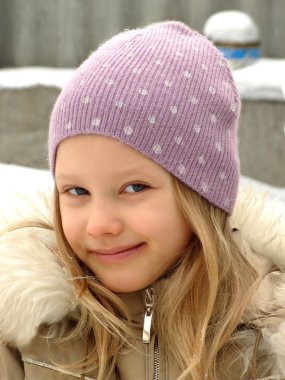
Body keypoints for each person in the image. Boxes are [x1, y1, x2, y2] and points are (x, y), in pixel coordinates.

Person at [0, 21, 285, 380]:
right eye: (77, 192)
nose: (100, 225)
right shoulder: (21, 327)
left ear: (202, 193)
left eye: (134, 188)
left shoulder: (269, 336)